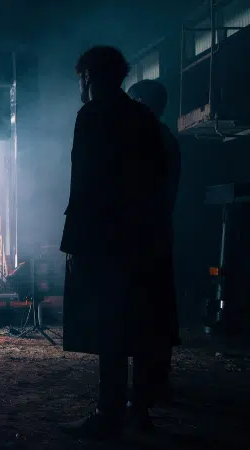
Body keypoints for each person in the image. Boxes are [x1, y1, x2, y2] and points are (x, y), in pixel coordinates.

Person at [60, 46, 172, 439]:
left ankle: (108, 411)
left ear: (89, 77)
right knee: (141, 325)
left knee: (110, 328)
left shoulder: (92, 117)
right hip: (146, 239)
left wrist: (74, 242)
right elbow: (159, 185)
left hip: (104, 241)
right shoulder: (146, 120)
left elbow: (85, 183)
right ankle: (139, 414)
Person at [127, 79, 182, 404]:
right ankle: (155, 381)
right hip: (156, 233)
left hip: (144, 236)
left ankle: (149, 384)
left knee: (145, 309)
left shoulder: (150, 140)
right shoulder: (165, 138)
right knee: (156, 309)